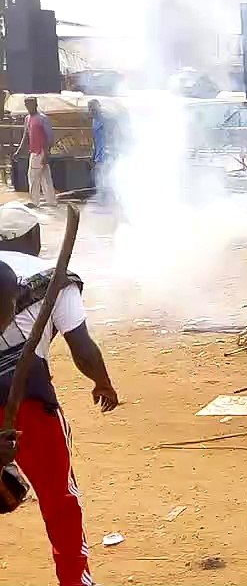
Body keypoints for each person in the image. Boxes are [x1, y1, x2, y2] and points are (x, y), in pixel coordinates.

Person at [0, 202, 118, 586]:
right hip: (32, 410)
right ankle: (74, 580)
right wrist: (102, 382)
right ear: (32, 238)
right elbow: (81, 346)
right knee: (59, 500)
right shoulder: (52, 279)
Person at [17, 97, 57, 208]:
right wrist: (19, 151)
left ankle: (34, 201)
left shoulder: (43, 119)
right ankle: (51, 201)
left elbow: (49, 137)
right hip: (34, 151)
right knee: (45, 177)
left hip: (40, 151)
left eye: (30, 104)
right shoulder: (27, 118)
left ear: (35, 105)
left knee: (33, 176)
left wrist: (46, 153)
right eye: (26, 105)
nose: (28, 107)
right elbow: (26, 136)